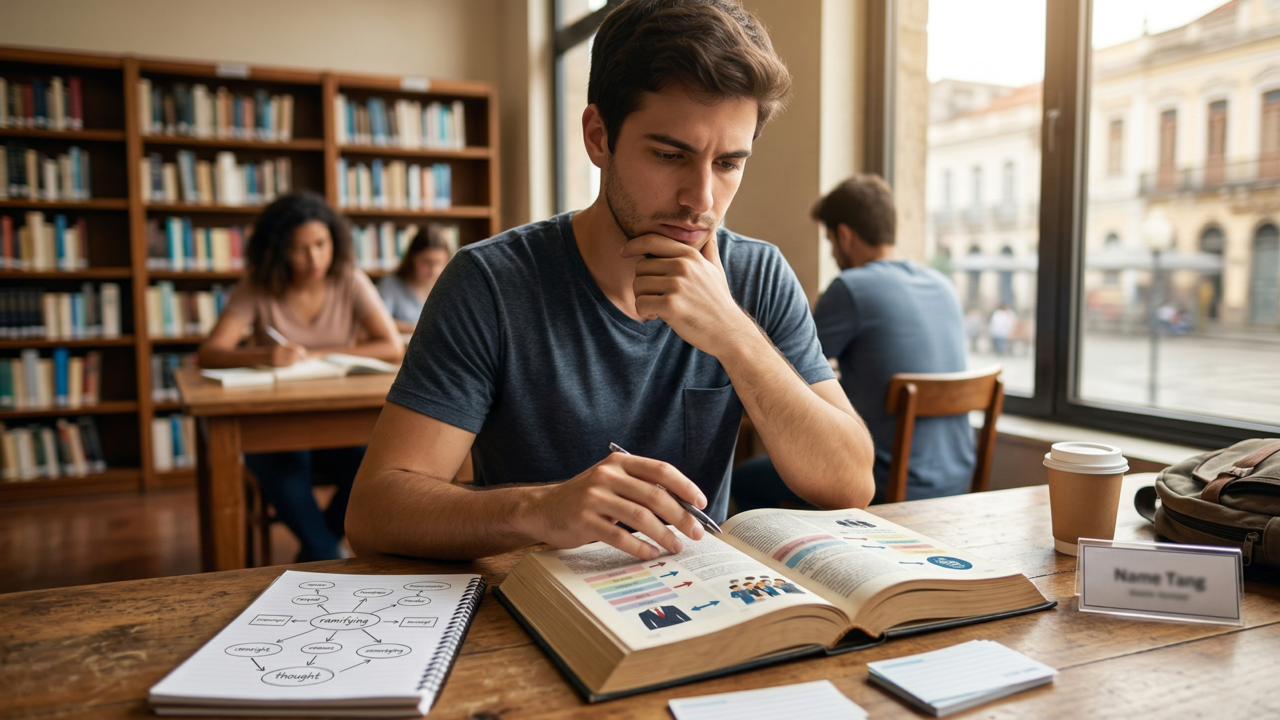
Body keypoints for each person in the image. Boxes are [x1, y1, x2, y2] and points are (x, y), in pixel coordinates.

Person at [346, 0, 875, 563]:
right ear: (599, 137)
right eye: (671, 155)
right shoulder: (491, 283)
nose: (701, 199)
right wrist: (543, 508)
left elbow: (850, 484)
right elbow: (376, 511)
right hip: (535, 613)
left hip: (702, 606)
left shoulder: (757, 274)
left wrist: (733, 334)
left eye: (728, 164)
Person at [732, 175, 973, 508]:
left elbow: (790, 373)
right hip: (956, 479)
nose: (833, 252)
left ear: (844, 236)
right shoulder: (942, 285)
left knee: (745, 478)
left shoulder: (851, 287)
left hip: (880, 483)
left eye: (830, 240)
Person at [198, 191, 404, 561]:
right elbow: (210, 353)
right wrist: (266, 354)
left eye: (321, 244)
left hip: (340, 422)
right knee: (284, 463)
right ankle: (325, 550)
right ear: (277, 250)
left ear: (334, 241)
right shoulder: (257, 287)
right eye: (299, 249)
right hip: (276, 424)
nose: (314, 259)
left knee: (379, 464)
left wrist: (317, 354)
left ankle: (318, 548)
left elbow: (390, 346)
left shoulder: (349, 280)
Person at [377, 225, 454, 333]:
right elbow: (378, 323)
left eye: (439, 262)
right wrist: (417, 329)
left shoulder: (449, 287)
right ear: (412, 258)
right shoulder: (390, 284)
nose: (434, 270)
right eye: (427, 262)